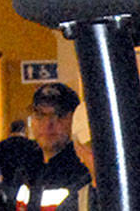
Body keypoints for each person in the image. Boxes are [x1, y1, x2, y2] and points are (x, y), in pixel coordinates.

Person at [13, 83, 92, 211]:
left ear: (74, 120)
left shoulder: (84, 171)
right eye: (40, 115)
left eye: (59, 115)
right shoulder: (25, 168)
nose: (47, 124)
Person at [0, 120, 41, 203]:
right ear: (25, 130)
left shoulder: (0, 146)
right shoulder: (33, 146)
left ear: (9, 130)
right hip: (29, 189)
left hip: (5, 188)